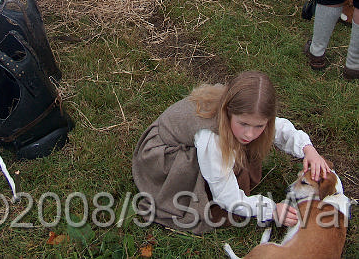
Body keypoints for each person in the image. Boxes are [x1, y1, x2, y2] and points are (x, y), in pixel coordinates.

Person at [132, 71, 330, 235]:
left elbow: (281, 128)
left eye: (259, 126)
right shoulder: (212, 138)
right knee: (214, 170)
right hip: (162, 157)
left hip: (202, 141)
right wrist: (271, 209)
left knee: (242, 142)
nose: (249, 134)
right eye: (243, 123)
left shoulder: (245, 114)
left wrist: (308, 149)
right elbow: (228, 199)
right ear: (228, 112)